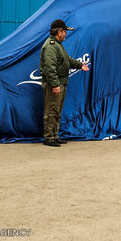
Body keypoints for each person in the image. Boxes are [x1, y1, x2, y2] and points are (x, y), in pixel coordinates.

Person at [40, 19, 89, 147]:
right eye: (64, 32)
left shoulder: (57, 45)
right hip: (54, 84)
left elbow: (66, 60)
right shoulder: (51, 46)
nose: (66, 34)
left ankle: (54, 135)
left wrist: (79, 65)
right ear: (59, 32)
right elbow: (50, 68)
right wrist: (55, 84)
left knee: (56, 111)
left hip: (60, 83)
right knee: (52, 110)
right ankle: (49, 137)